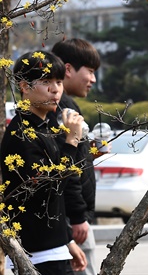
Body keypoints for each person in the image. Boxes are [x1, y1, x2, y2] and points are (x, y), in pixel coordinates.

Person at [1, 51, 87, 274]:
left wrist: (67, 240)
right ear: (24, 87)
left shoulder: (44, 127)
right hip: (38, 253)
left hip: (53, 246)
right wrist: (72, 142)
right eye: (46, 82)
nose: (55, 89)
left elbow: (55, 198)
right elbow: (49, 187)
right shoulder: (22, 134)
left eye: (59, 81)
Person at [49, 38, 102, 275]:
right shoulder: (63, 111)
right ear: (68, 69)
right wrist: (79, 216)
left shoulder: (66, 108)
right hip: (72, 221)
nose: (93, 79)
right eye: (90, 71)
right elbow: (65, 168)